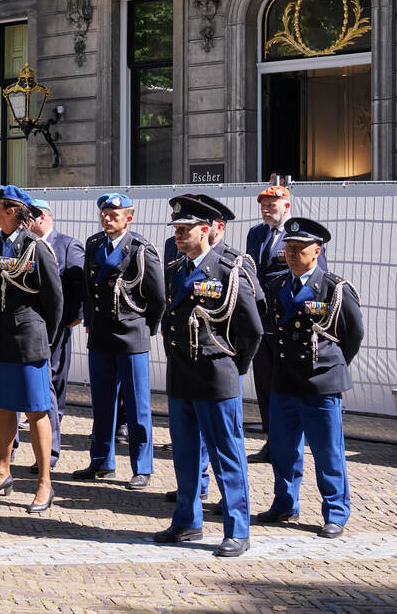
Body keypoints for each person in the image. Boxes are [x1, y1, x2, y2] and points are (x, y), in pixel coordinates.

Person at [155, 195, 262, 558]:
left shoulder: (229, 269)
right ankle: (187, 520)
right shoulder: (175, 269)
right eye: (177, 229)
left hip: (217, 373)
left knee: (226, 455)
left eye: (186, 229)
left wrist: (235, 366)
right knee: (185, 454)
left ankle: (237, 528)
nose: (179, 235)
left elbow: (252, 328)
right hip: (182, 373)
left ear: (206, 230)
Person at [257, 218, 363, 539]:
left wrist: (331, 367)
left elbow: (352, 334)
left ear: (316, 251)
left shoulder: (334, 288)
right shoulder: (276, 287)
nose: (290, 254)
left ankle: (335, 511)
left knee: (327, 452)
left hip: (320, 384)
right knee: (284, 450)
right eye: (288, 248)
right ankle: (285, 503)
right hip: (286, 382)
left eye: (298, 248)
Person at [0, 185, 62, 511]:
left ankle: (44, 483)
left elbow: (54, 301)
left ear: (11, 211)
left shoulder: (36, 248)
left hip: (28, 341)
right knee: (2, 406)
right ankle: (2, 472)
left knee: (36, 409)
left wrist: (42, 338)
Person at [74, 192, 165, 490]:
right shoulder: (93, 244)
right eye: (103, 213)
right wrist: (90, 321)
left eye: (114, 214)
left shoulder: (140, 249)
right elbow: (89, 289)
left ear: (129, 217)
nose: (107, 218)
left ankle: (142, 466)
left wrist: (144, 329)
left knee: (138, 406)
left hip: (131, 335)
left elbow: (157, 297)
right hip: (100, 333)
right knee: (101, 402)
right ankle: (102, 461)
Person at [245, 184, 327, 463]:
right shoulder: (255, 234)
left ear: (287, 206)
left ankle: (292, 443)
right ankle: (272, 440)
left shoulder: (299, 235)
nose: (267, 210)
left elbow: (319, 279)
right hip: (261, 321)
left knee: (289, 386)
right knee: (265, 384)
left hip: (288, 323)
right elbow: (252, 273)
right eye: (264, 206)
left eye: (272, 205)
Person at [28, 198, 86, 473]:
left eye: (28, 217)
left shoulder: (66, 245)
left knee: (53, 384)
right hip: (31, 328)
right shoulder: (27, 244)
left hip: (57, 327)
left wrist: (77, 316)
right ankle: (45, 444)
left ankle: (51, 450)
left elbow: (79, 283)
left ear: (41, 218)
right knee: (40, 387)